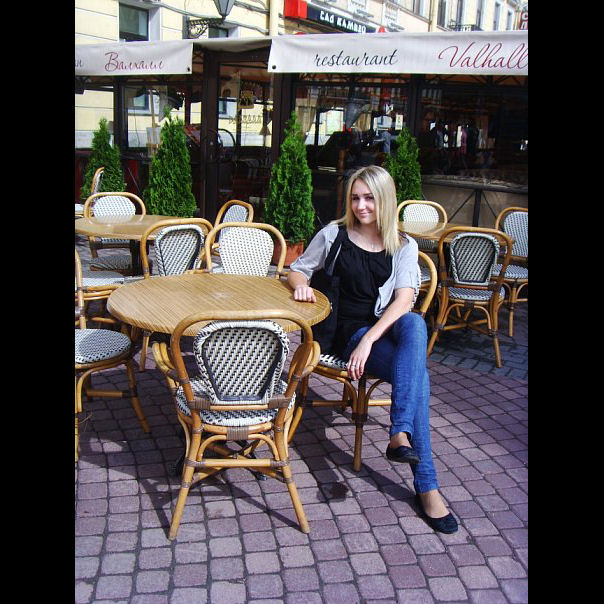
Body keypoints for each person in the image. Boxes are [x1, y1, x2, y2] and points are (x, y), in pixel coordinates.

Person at [287, 165, 458, 534]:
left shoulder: (403, 245)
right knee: (419, 378)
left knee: (414, 323)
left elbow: (405, 300)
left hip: (380, 333)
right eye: (355, 198)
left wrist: (371, 340)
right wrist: (301, 285)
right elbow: (297, 269)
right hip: (347, 334)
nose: (361, 206)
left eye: (369, 198)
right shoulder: (334, 235)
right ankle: (426, 484)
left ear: (385, 200)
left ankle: (400, 432)